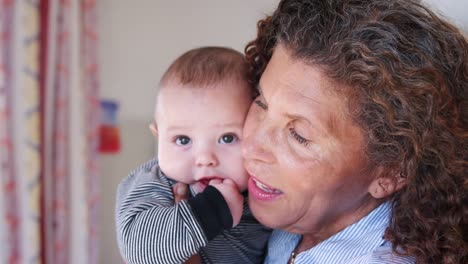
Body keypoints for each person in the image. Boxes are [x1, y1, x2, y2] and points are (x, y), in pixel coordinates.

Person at [171, 0, 467, 263]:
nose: (250, 147)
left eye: (299, 135)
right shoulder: (287, 222)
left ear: (390, 173)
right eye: (261, 103)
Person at [115, 47, 271, 264]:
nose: (205, 158)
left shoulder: (261, 188)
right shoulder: (157, 184)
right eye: (183, 140)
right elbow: (137, 248)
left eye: (227, 138)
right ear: (157, 137)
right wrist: (211, 212)